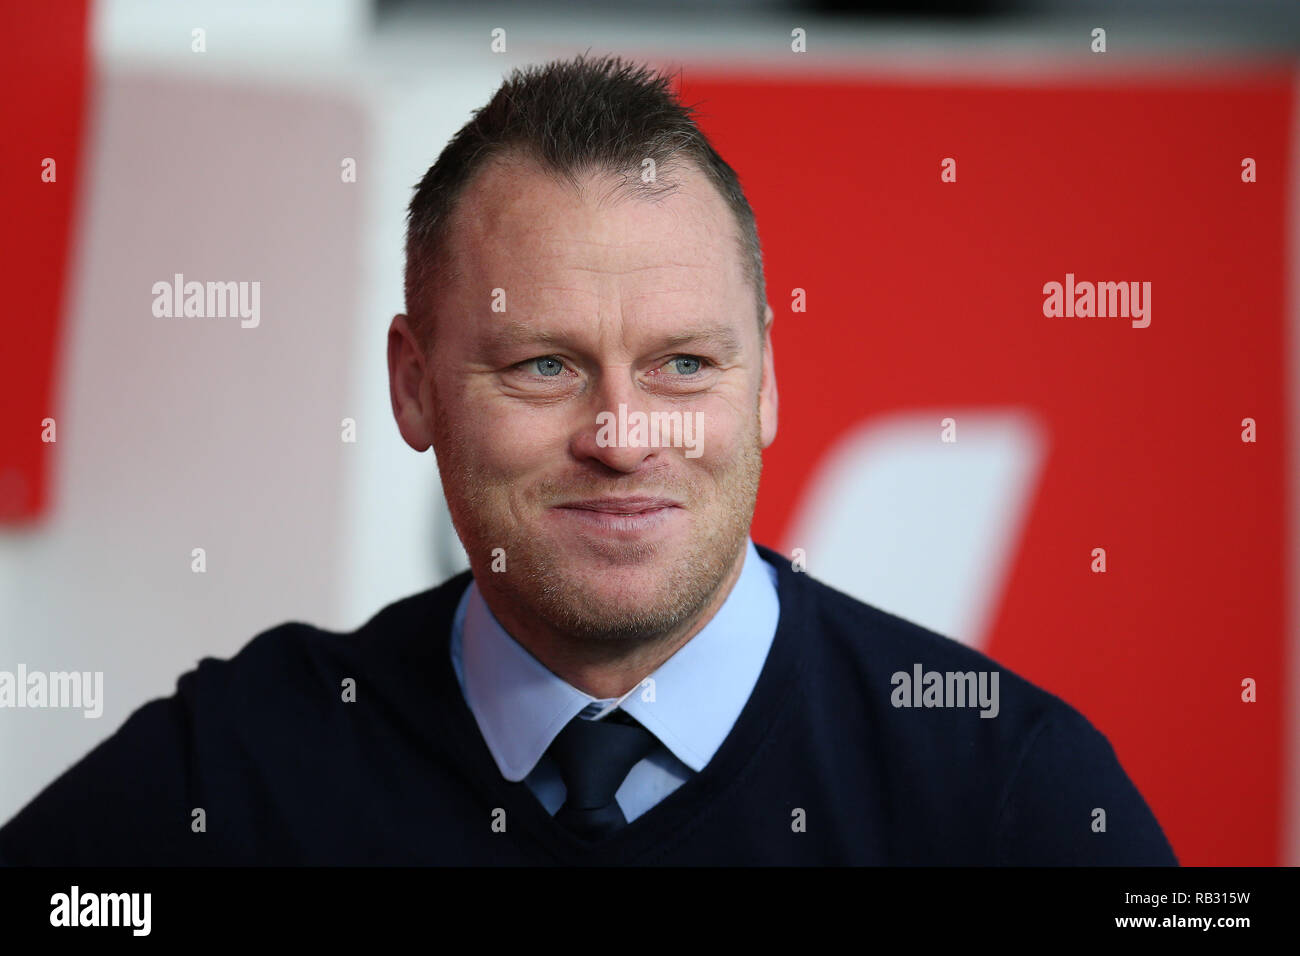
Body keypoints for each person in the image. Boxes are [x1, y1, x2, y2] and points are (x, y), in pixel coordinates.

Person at [0, 54, 1176, 865]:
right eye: (545, 366)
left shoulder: (1009, 797)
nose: (621, 437)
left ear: (766, 380)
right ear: (413, 386)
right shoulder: (240, 774)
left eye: (682, 365)